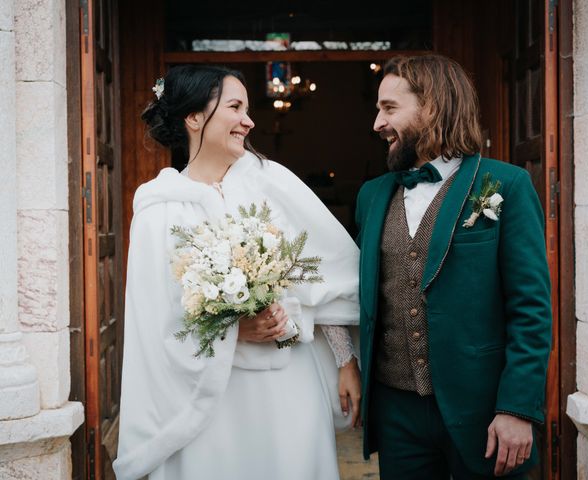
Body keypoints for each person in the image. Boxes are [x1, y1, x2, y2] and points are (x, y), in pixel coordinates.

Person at [113, 65, 361, 480]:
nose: (249, 120)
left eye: (247, 108)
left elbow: (324, 278)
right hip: (210, 401)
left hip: (286, 386)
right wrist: (232, 331)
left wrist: (345, 360)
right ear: (194, 118)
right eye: (235, 107)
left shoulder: (273, 182)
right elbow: (154, 320)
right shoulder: (159, 209)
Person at [356, 54, 552, 479]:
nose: (377, 123)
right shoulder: (371, 196)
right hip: (397, 412)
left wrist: (517, 407)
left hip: (483, 412)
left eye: (389, 109)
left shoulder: (505, 185)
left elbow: (531, 309)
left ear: (433, 107)